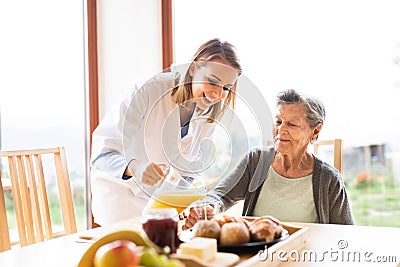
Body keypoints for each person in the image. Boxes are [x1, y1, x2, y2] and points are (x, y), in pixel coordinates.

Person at [90, 38, 242, 226]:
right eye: (212, 81)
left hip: (160, 208)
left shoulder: (209, 111)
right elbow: (101, 154)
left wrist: (187, 202)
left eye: (226, 88)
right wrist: (135, 167)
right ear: (193, 68)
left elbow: (189, 170)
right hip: (120, 200)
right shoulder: (148, 90)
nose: (217, 94)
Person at [183, 89, 354, 229]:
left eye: (292, 124)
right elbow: (220, 195)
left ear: (315, 131)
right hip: (260, 255)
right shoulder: (257, 160)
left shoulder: (328, 179)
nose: (280, 131)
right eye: (279, 122)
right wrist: (207, 208)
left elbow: (346, 233)